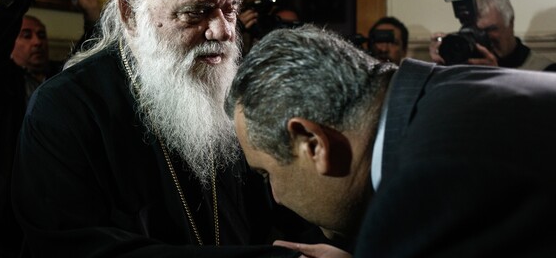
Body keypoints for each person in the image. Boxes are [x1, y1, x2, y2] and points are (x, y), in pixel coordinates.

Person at [10, 0, 314, 257]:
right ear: (131, 14)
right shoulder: (63, 109)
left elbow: (278, 210)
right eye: (196, 11)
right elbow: (77, 248)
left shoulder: (231, 93)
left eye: (230, 9)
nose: (223, 31)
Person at [226, 24, 556, 258]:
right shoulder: (448, 84)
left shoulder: (418, 190)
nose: (276, 197)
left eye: (266, 174)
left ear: (312, 143)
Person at [0, 0, 101, 258]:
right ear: (10, 46)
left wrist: (92, 15)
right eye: (26, 36)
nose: (36, 42)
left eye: (41, 35)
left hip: (58, 210)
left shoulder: (57, 80)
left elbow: (87, 68)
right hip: (5, 223)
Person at [431, 0, 556, 71]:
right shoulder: (462, 65)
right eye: (473, 31)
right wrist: (440, 70)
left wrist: (493, 76)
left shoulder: (544, 71)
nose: (481, 37)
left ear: (511, 22)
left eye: (490, 29)